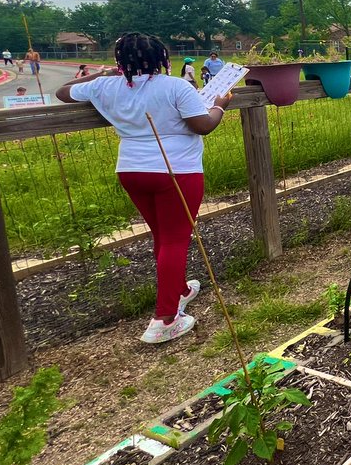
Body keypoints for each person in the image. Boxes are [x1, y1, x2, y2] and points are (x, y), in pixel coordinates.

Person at [55, 32, 232, 344]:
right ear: (161, 59)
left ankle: (178, 290)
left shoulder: (105, 85)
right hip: (176, 169)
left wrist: (103, 73)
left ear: (120, 61)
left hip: (132, 169)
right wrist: (219, 105)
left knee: (162, 236)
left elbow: (63, 92)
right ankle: (165, 318)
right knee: (176, 239)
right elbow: (202, 125)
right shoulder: (175, 86)